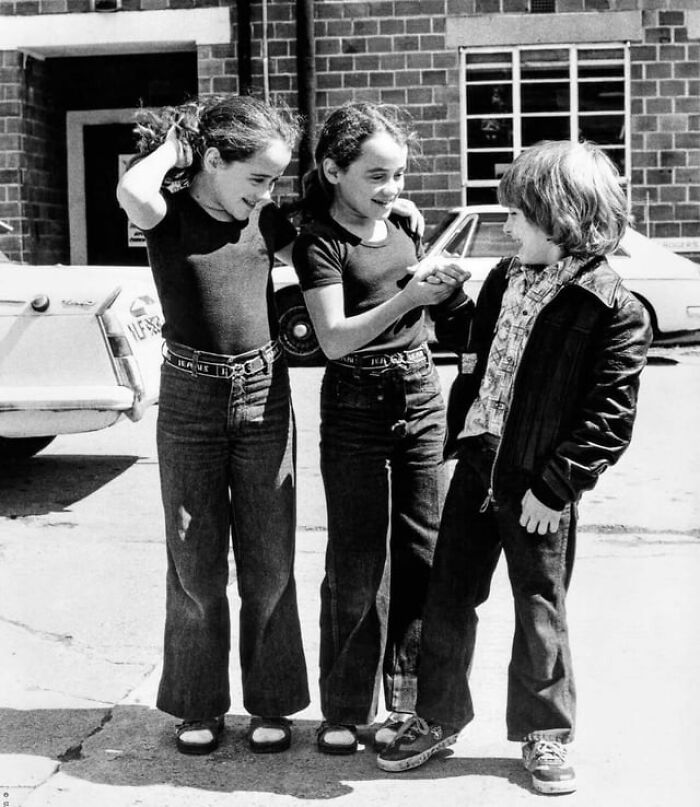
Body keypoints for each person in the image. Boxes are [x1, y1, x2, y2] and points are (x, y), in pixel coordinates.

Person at [376, 140, 652, 795]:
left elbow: (608, 417)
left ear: (560, 216)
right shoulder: (506, 276)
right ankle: (438, 715)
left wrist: (557, 487)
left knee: (539, 609)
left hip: (539, 484)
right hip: (479, 463)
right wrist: (450, 304)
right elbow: (483, 352)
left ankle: (545, 731)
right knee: (449, 596)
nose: (506, 228)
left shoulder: (612, 307)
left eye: (516, 216)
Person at [115, 95, 312, 756]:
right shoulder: (166, 214)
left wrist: (391, 216)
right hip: (190, 399)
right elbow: (133, 190)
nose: (266, 192)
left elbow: (327, 251)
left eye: (275, 180)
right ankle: (198, 705)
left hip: (264, 393)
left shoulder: (267, 220)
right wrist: (175, 147)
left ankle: (272, 702)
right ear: (214, 159)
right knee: (194, 562)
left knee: (270, 561)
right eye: (257, 177)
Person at [291, 102, 472, 755]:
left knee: (424, 552)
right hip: (356, 403)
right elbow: (334, 339)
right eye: (375, 175)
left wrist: (441, 286)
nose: (391, 187)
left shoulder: (402, 224)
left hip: (421, 394)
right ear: (332, 170)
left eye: (398, 174)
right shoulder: (318, 241)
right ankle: (344, 707)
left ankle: (410, 703)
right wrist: (410, 297)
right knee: (356, 560)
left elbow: (424, 305)